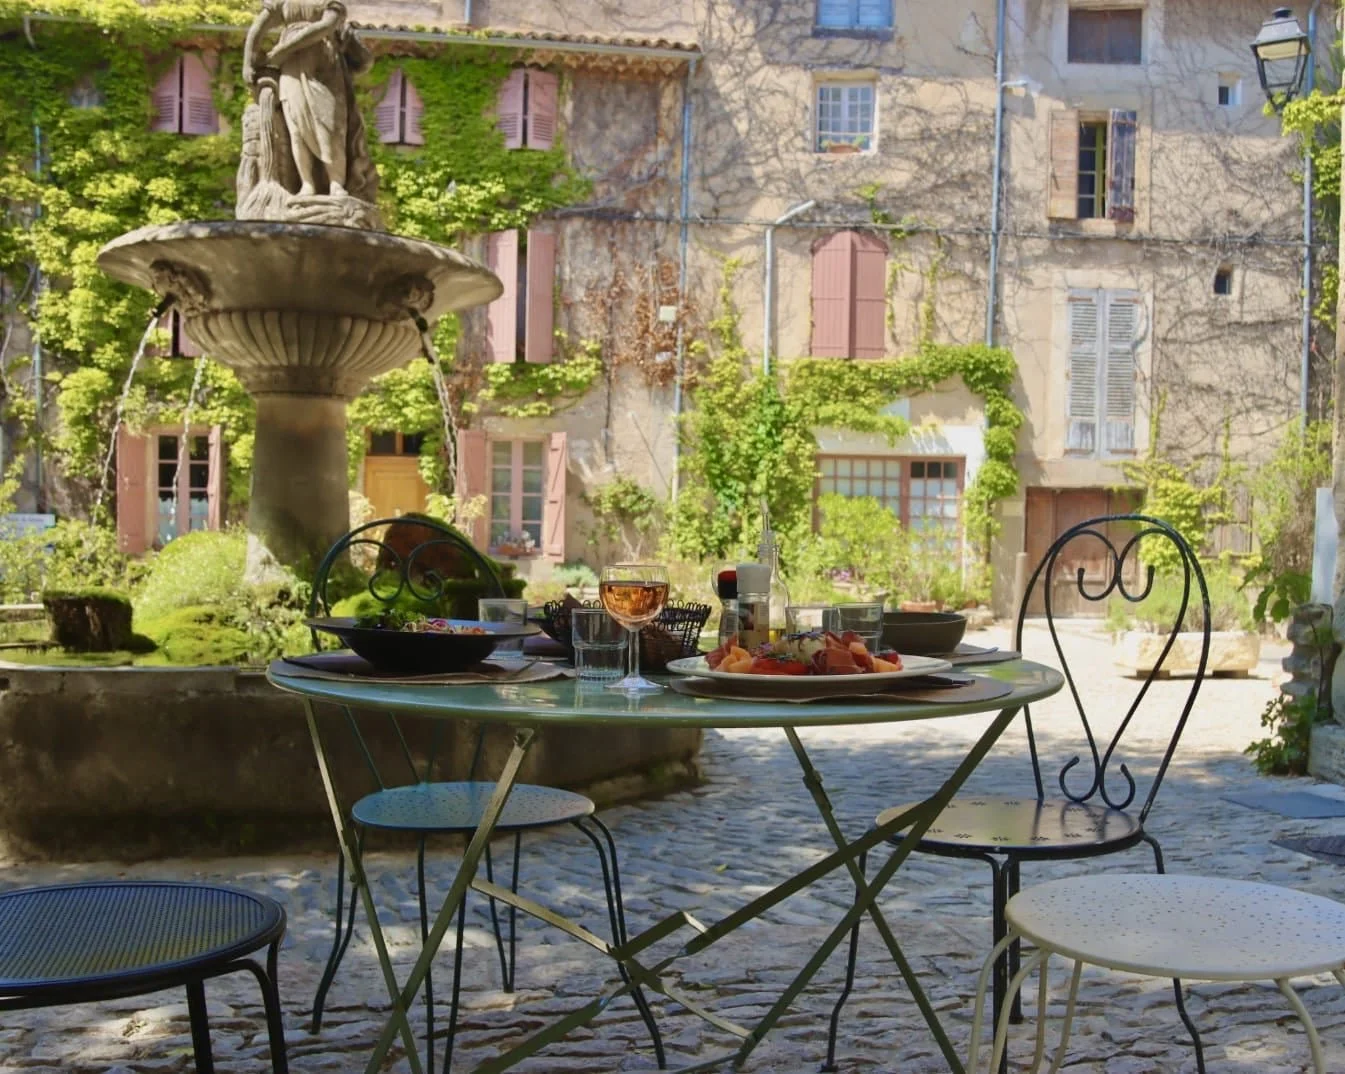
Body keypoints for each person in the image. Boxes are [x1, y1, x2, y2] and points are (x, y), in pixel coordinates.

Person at [243, 0, 367, 198]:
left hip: (323, 65)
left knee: (331, 126)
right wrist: (247, 63)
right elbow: (258, 27)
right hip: (291, 67)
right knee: (297, 126)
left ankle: (336, 183)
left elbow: (326, 26)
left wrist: (285, 49)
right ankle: (306, 183)